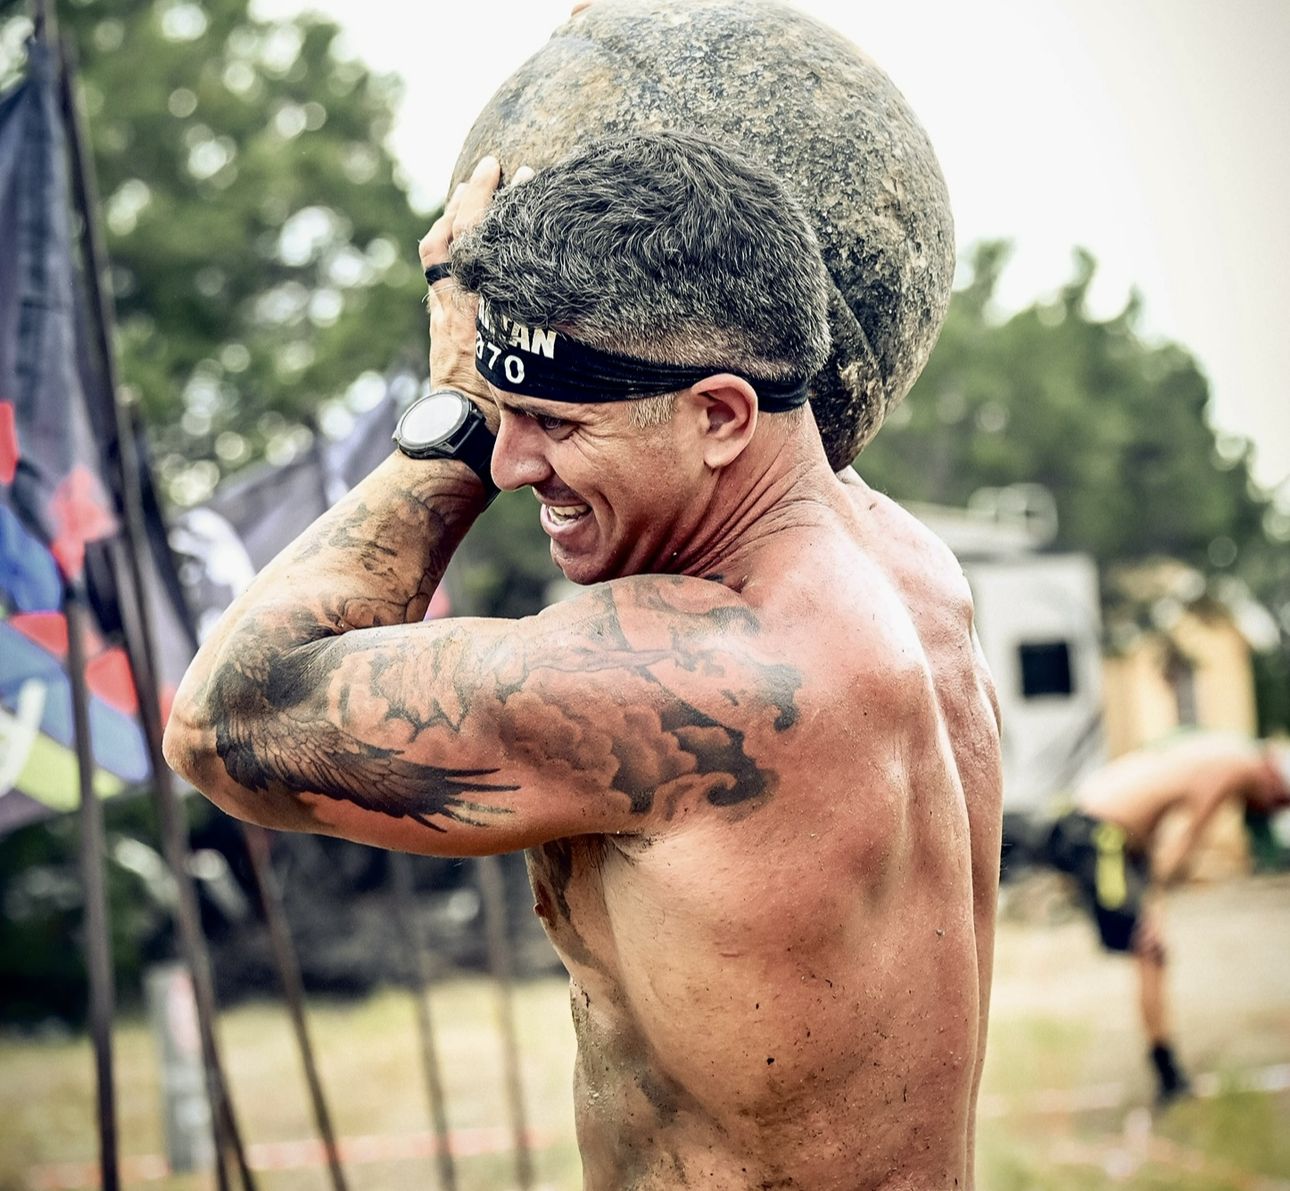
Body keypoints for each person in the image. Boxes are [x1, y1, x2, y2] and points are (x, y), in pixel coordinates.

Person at [164, 131, 1003, 1190]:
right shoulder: (914, 574)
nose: (511, 465)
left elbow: (229, 718)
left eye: (553, 422)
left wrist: (456, 413)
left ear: (719, 415)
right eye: (506, 419)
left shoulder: (709, 678)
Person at [1046, 732, 1290, 1105]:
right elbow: (1185, 837)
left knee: (1151, 948)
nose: (1268, 811)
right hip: (1098, 835)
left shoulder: (1223, 750)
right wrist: (1155, 901)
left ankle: (1166, 1068)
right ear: (1273, 778)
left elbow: (1160, 817)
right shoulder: (1235, 767)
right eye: (1277, 803)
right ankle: (1167, 1073)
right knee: (1150, 944)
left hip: (1108, 832)